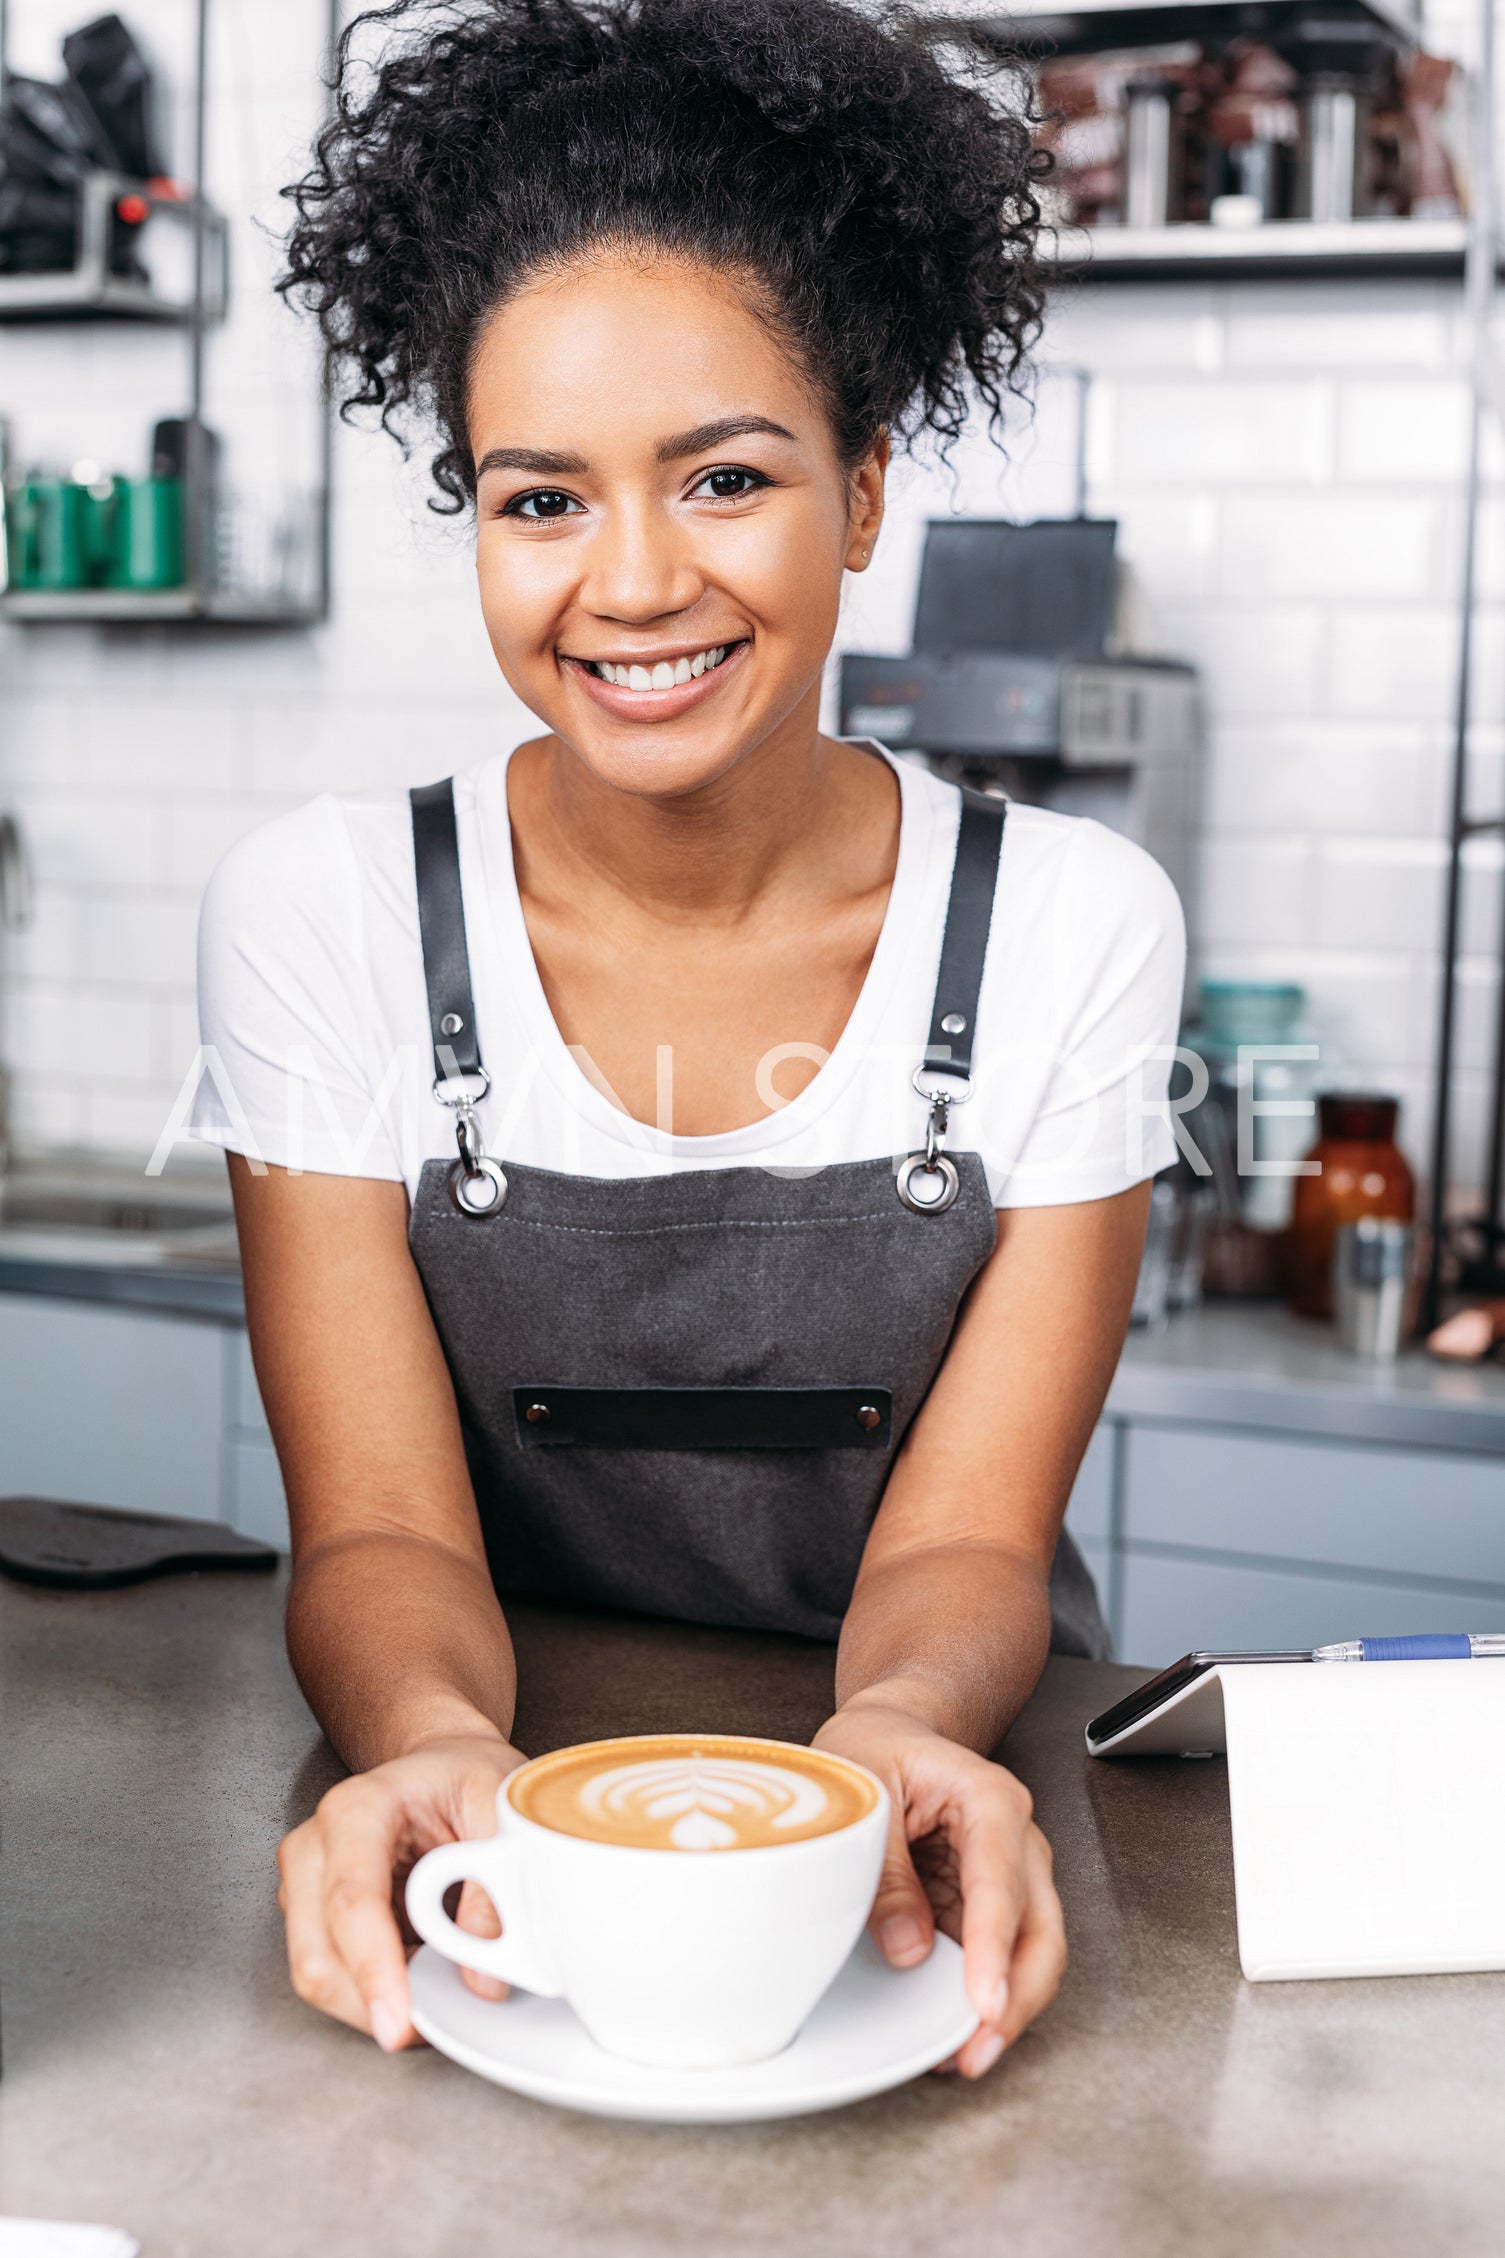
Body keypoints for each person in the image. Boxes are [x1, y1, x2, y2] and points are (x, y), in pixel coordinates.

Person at [191, 0, 1184, 2081]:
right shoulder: (330, 919)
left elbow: (973, 1540)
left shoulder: (1069, 929)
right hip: (521, 1848)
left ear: (863, 490)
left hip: (944, 1792)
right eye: (539, 500)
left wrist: (898, 1745)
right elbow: (376, 1535)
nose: (631, 585)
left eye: (724, 476)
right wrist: (448, 1758)